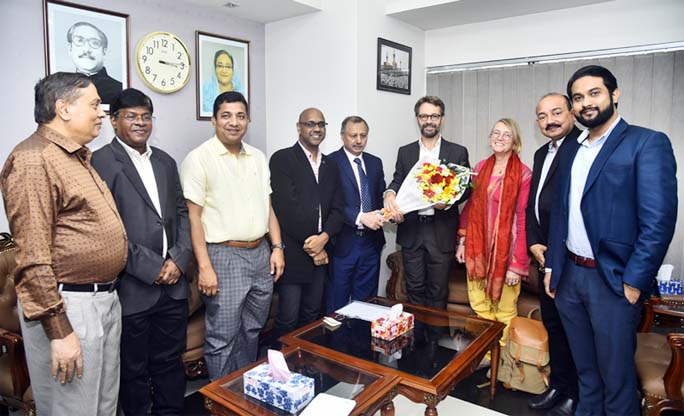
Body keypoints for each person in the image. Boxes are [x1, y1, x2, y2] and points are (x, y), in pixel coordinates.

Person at [545, 65, 677, 416]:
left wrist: (634, 282)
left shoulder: (646, 142)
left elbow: (658, 222)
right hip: (570, 278)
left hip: (614, 282)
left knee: (616, 380)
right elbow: (560, 213)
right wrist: (552, 267)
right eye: (578, 97)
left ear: (614, 94)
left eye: (594, 93)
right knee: (586, 374)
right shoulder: (572, 148)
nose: (586, 103)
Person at [0, 72, 127, 415]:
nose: (102, 112)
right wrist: (60, 332)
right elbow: (32, 257)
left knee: (102, 406)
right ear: (63, 108)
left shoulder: (73, 155)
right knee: (74, 408)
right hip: (70, 305)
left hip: (101, 298)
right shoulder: (33, 160)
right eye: (95, 104)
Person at [91, 88, 192, 415]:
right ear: (113, 120)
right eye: (131, 117)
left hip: (174, 287)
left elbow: (182, 213)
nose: (140, 123)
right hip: (133, 287)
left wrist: (178, 258)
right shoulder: (100, 162)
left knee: (170, 364)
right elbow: (106, 229)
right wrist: (152, 266)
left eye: (145, 117)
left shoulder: (165, 161)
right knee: (133, 372)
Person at [181, 91, 285, 380]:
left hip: (260, 253)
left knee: (252, 329)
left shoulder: (258, 157)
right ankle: (222, 402)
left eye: (240, 115)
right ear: (214, 120)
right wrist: (204, 267)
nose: (234, 122)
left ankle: (242, 392)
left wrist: (277, 247)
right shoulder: (199, 159)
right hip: (223, 256)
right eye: (226, 115)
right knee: (222, 337)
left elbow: (268, 207)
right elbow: (193, 217)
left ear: (248, 120)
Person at [384, 96, 470, 310]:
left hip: (441, 231)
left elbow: (466, 188)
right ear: (417, 119)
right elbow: (398, 179)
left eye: (434, 116)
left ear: (442, 119)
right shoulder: (406, 152)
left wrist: (449, 202)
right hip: (412, 229)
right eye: (424, 116)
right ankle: (415, 341)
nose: (429, 120)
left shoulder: (457, 151)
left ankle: (433, 342)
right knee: (414, 290)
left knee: (438, 291)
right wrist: (389, 193)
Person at [526, 93, 581, 416]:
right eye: (543, 116)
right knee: (554, 326)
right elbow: (533, 202)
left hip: (570, 258)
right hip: (544, 256)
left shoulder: (581, 147)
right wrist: (533, 242)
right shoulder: (540, 152)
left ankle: (575, 393)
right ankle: (558, 386)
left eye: (557, 113)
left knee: (574, 330)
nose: (550, 121)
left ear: (571, 114)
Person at [455, 118, 531, 348]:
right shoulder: (479, 168)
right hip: (477, 251)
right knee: (479, 307)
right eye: (496, 133)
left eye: (506, 134)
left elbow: (523, 218)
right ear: (490, 138)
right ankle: (485, 356)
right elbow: (470, 208)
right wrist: (462, 242)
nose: (499, 138)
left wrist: (517, 265)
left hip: (506, 255)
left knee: (505, 311)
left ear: (515, 141)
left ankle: (503, 360)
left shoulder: (524, 174)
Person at [270, 108, 344, 336]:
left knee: (312, 317)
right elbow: (286, 209)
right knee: (288, 319)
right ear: (299, 127)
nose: (317, 129)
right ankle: (280, 370)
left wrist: (323, 239)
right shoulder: (283, 159)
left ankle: (307, 367)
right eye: (310, 124)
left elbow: (338, 209)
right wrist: (314, 247)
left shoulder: (330, 165)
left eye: (321, 124)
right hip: (293, 253)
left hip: (321, 253)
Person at [327, 116, 386, 312]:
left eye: (363, 135)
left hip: (371, 243)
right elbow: (331, 203)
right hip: (344, 243)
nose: (359, 140)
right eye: (353, 135)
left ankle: (360, 342)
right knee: (338, 304)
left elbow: (380, 197)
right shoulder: (331, 162)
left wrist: (390, 212)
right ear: (343, 136)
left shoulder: (375, 163)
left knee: (367, 305)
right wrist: (361, 217)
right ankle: (334, 343)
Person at [67, 22, 122, 105]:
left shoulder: (119, 88)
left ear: (104, 51)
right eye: (79, 41)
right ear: (70, 48)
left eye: (94, 43)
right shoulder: (62, 89)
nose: (86, 49)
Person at [201, 49, 245, 114]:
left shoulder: (242, 92)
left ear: (233, 70)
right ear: (214, 69)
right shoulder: (205, 91)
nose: (224, 71)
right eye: (220, 66)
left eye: (228, 66)